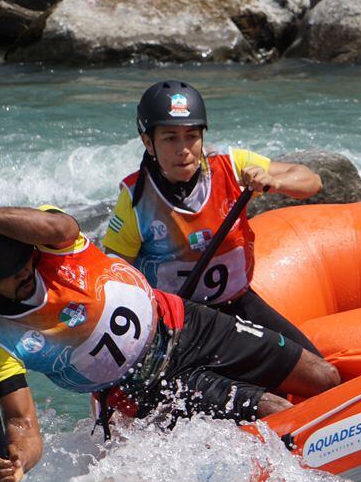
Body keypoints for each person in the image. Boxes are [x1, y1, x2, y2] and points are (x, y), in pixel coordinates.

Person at [0, 190, 340, 482]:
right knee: (274, 409)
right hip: (148, 390)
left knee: (323, 377)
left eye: (21, 260)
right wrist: (18, 463)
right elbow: (22, 425)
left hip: (186, 324)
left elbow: (60, 225)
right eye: (7, 274)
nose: (23, 272)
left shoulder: (46, 241)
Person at [102, 81, 326, 357]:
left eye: (192, 136)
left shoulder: (232, 167)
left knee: (319, 367)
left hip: (238, 305)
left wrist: (273, 182)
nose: (183, 149)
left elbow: (311, 181)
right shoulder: (135, 199)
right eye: (170, 138)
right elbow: (114, 278)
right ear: (149, 142)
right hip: (178, 322)